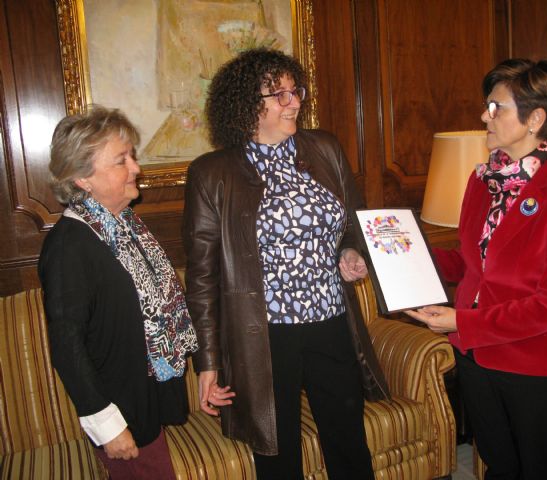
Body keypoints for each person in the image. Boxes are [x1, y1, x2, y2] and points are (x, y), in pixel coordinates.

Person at [182, 48, 390, 480]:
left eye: (296, 91)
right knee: (278, 456)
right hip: (263, 336)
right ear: (246, 105)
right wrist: (208, 362)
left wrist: (350, 252)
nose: (294, 102)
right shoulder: (212, 174)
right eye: (279, 95)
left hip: (332, 322)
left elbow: (353, 222)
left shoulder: (325, 148)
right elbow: (202, 278)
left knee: (349, 443)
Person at [406, 59, 547, 479]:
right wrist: (403, 254)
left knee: (541, 470)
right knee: (499, 467)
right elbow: (470, 263)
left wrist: (463, 321)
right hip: (477, 360)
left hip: (535, 366)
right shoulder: (482, 181)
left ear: (536, 119)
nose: (483, 116)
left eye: (496, 108)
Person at [38, 106, 198, 480]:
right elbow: (67, 345)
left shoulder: (123, 227)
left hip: (143, 402)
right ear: (82, 179)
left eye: (132, 157)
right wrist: (107, 425)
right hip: (122, 411)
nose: (136, 168)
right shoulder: (69, 245)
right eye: (121, 161)